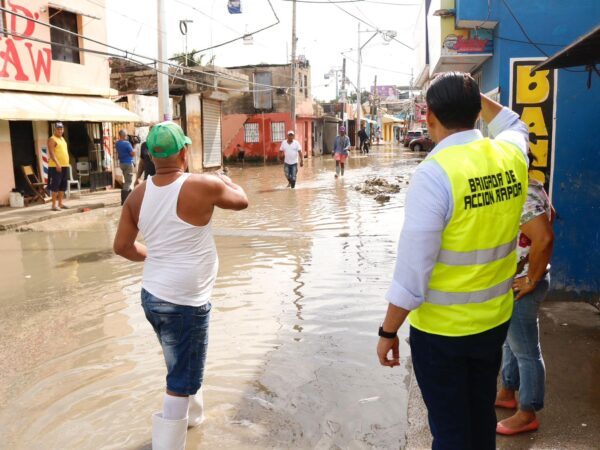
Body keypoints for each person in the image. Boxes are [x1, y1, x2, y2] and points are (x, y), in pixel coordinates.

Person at [376, 72, 529, 450]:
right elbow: (513, 122)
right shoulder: (510, 154)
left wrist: (388, 331)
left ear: (428, 116)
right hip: (493, 322)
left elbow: (412, 275)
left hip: (443, 335)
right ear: (478, 111)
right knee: (479, 418)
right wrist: (476, 99)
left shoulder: (434, 174)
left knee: (450, 433)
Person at [113, 121, 248, 450]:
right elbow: (242, 201)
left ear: (149, 155)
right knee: (180, 379)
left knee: (184, 363)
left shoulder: (137, 196)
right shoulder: (203, 185)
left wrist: (157, 257)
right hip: (184, 303)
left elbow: (122, 247)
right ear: (184, 152)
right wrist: (225, 179)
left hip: (154, 297)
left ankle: (194, 421)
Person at [495, 169, 554, 436]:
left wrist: (531, 279)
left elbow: (544, 237)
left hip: (524, 284)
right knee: (511, 342)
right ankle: (508, 391)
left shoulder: (523, 195)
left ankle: (528, 411)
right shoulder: (533, 185)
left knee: (527, 351)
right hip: (520, 280)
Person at [47, 122, 70, 211]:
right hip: (56, 166)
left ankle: (60, 204)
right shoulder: (52, 139)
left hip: (65, 165)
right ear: (55, 129)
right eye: (58, 129)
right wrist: (57, 163)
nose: (60, 130)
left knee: (63, 186)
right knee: (55, 185)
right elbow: (51, 152)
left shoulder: (63, 139)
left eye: (61, 129)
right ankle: (53, 205)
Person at [116, 129, 136, 205]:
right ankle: (124, 201)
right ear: (124, 135)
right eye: (126, 135)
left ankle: (130, 197)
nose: (127, 136)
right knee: (128, 181)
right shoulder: (127, 143)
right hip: (128, 164)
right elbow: (132, 154)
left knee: (127, 180)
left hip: (122, 164)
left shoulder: (117, 143)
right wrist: (135, 148)